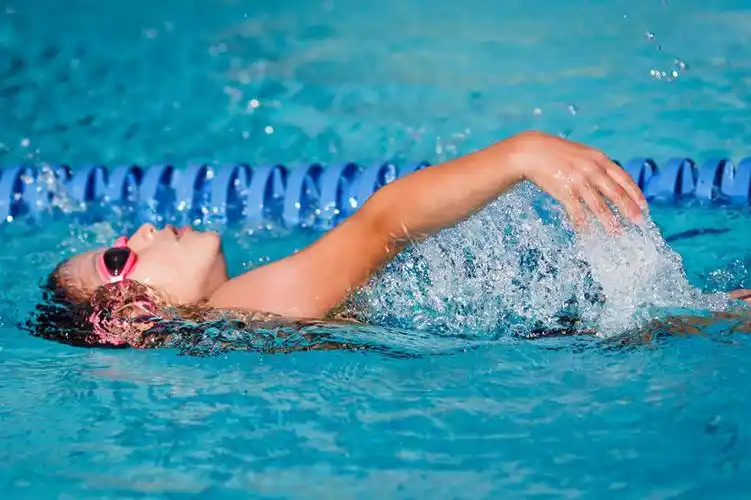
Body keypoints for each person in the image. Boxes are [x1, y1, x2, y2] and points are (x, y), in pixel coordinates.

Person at [25, 131, 749, 350]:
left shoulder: (235, 333)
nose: (144, 229)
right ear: (130, 315)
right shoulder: (246, 305)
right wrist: (521, 154)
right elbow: (380, 224)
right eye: (119, 255)